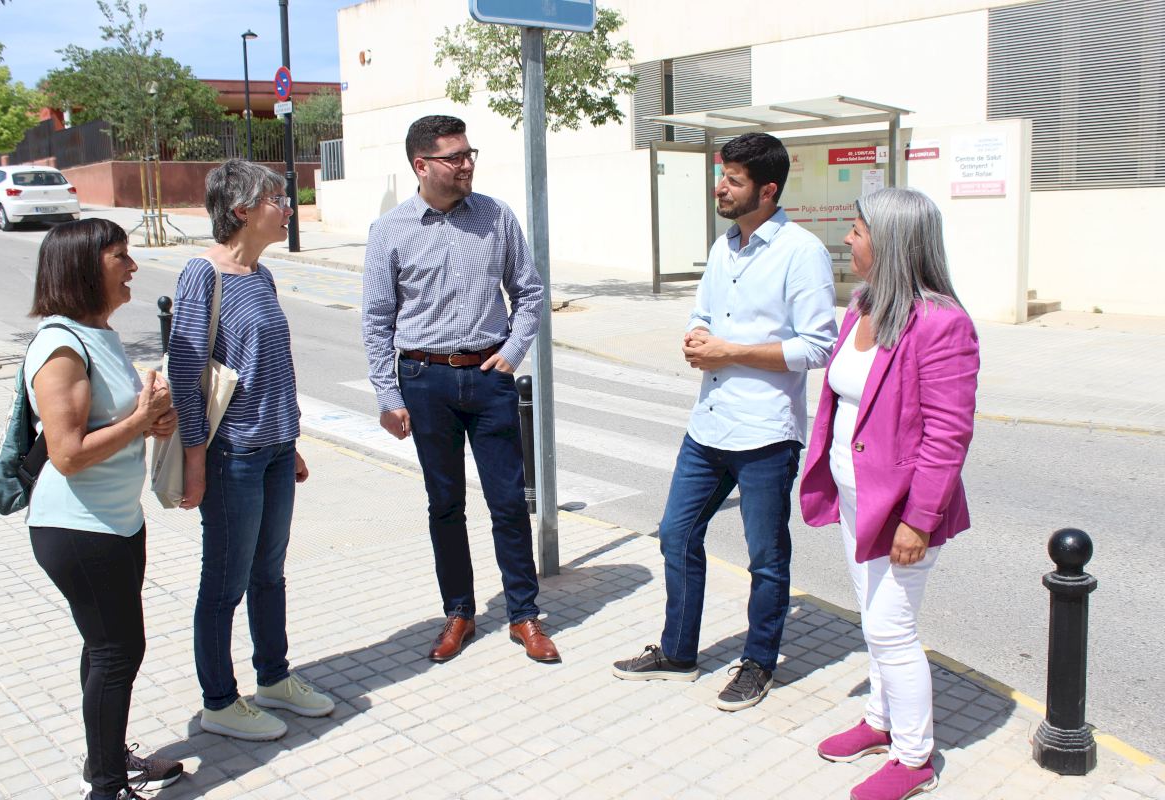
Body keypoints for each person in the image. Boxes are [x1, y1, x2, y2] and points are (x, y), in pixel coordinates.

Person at [613, 132, 838, 711]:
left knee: (766, 558)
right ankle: (678, 653)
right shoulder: (723, 248)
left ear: (767, 190)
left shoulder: (802, 252)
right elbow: (704, 313)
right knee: (676, 533)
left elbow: (818, 346)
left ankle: (759, 663)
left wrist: (729, 351)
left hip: (766, 432)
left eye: (734, 180)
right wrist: (696, 335)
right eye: (722, 176)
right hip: (709, 425)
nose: (721, 188)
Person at [799, 187, 980, 800]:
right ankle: (880, 721)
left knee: (890, 628)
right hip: (858, 497)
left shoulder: (942, 323)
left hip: (904, 510)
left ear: (892, 243)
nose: (847, 239)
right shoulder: (863, 304)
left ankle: (914, 756)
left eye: (857, 230)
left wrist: (919, 519)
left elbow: (948, 435)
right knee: (871, 616)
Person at [362, 114, 558, 664]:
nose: (467, 164)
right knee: (445, 504)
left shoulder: (496, 216)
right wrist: (388, 396)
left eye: (470, 154)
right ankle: (460, 613)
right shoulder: (390, 231)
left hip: (489, 378)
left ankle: (523, 614)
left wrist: (512, 353)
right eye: (455, 157)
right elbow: (376, 320)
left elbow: (530, 292)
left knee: (508, 502)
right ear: (421, 166)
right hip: (424, 382)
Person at [168, 160, 334, 741]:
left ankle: (274, 678)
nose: (288, 208)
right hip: (231, 457)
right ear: (241, 210)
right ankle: (219, 701)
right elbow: (185, 375)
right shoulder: (202, 275)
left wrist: (291, 442)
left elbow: (272, 370)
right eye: (277, 199)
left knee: (269, 573)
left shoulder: (260, 275)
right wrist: (195, 462)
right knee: (224, 583)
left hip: (273, 450)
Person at [25, 219, 183, 800]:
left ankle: (106, 760)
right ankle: (107, 787)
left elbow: (114, 423)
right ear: (84, 268)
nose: (133, 266)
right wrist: (140, 421)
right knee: (119, 651)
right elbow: (67, 454)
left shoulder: (99, 333)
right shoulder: (60, 346)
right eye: (121, 255)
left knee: (104, 647)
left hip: (116, 520)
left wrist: (152, 419)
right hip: (77, 526)